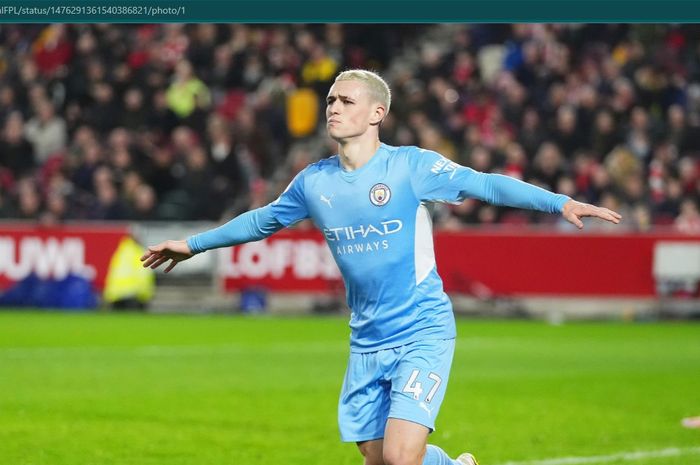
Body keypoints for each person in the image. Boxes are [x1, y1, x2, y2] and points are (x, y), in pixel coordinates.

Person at [141, 69, 622, 465]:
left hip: (422, 329)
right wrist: (193, 244)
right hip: (366, 338)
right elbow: (263, 220)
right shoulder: (315, 182)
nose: (332, 107)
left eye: (346, 100)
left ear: (377, 113)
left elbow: (487, 185)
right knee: (377, 458)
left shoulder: (410, 167)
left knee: (399, 457)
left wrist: (560, 202)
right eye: (330, 99)